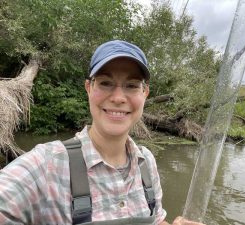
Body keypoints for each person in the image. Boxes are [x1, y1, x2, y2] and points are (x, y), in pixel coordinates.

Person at [0, 40, 205, 225]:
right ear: (89, 88)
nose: (118, 97)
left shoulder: (147, 162)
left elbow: (156, 220)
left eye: (132, 86)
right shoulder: (47, 164)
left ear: (145, 93)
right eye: (105, 83)